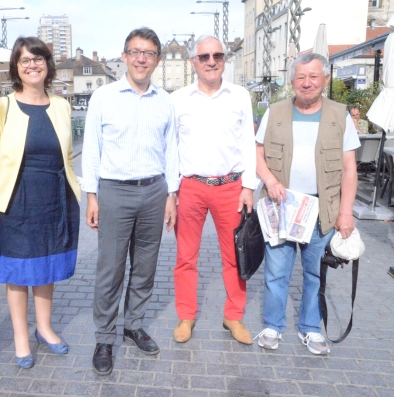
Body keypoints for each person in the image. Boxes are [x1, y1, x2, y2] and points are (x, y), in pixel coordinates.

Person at [0, 37, 81, 369]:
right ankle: (21, 337)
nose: (31, 65)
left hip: (55, 198)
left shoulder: (62, 106)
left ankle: (45, 328)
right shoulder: (1, 107)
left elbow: (67, 157)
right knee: (19, 272)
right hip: (15, 202)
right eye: (24, 60)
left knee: (46, 266)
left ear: (48, 65)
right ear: (16, 68)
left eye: (37, 59)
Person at [82, 27, 179, 376]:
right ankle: (104, 338)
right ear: (124, 56)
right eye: (135, 52)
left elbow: (172, 152)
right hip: (114, 191)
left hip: (154, 191)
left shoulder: (165, 100)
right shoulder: (104, 97)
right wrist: (91, 196)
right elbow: (91, 149)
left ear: (157, 60)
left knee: (145, 265)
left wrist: (172, 195)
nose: (141, 58)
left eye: (149, 53)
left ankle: (133, 324)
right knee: (110, 269)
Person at [255, 53, 359, 355]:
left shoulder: (340, 115)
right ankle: (273, 325)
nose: (307, 83)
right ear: (292, 81)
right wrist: (270, 181)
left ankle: (311, 328)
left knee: (315, 273)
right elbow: (256, 154)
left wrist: (345, 213)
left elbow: (349, 168)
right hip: (281, 207)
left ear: (325, 80)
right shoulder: (274, 112)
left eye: (314, 76)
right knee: (276, 272)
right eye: (301, 77)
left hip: (321, 209)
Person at [170, 35, 258, 345]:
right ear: (194, 62)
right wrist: (171, 191)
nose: (211, 61)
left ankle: (233, 316)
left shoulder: (240, 96)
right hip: (190, 187)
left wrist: (249, 185)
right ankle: (186, 315)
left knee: (235, 255)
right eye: (204, 56)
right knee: (185, 257)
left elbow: (249, 142)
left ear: (224, 60)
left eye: (217, 55)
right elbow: (170, 148)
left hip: (230, 187)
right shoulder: (178, 99)